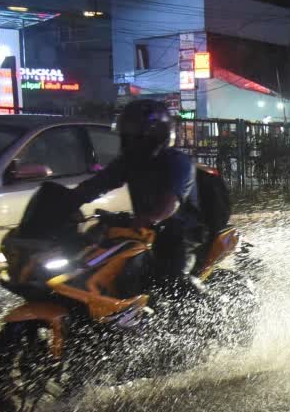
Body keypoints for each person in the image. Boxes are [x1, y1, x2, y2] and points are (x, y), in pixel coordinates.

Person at [74, 99, 204, 294]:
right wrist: (68, 199)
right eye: (127, 135)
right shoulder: (129, 162)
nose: (130, 140)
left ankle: (201, 314)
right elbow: (98, 184)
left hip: (181, 234)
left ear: (156, 135)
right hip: (144, 231)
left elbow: (171, 203)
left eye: (136, 135)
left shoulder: (178, 163)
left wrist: (151, 218)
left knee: (173, 283)